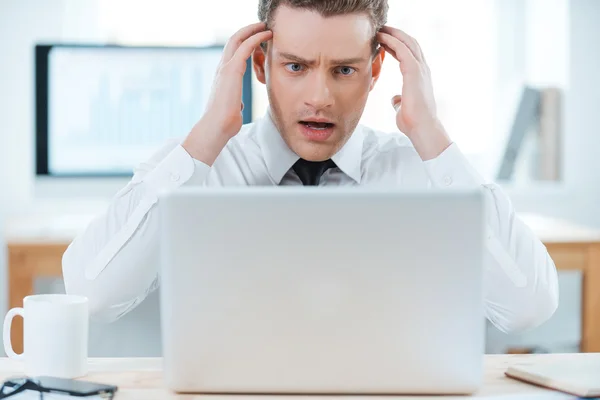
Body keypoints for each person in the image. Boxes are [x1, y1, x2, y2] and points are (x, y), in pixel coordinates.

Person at [62, 0, 558, 333]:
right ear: (259, 65)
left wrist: (431, 135)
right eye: (295, 66)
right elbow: (92, 296)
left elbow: (529, 307)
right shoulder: (197, 165)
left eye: (344, 70)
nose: (319, 98)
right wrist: (208, 133)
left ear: (375, 71)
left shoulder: (424, 172)